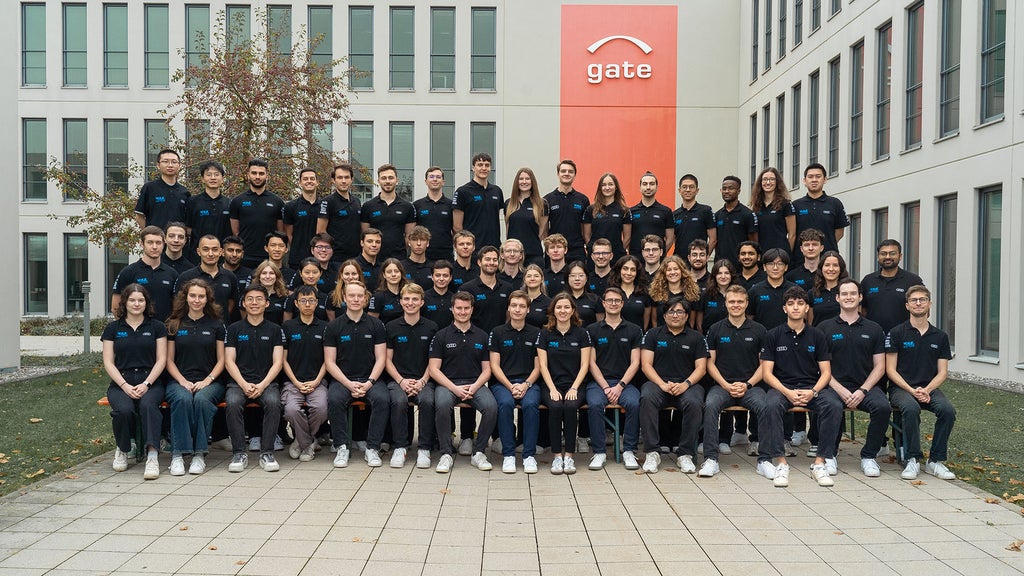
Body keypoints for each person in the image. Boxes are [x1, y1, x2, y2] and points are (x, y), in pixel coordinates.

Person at [759, 287, 841, 487]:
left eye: (800, 303)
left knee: (834, 405)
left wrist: (812, 392)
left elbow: (826, 373)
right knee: (769, 406)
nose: (795, 307)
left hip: (811, 387)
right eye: (791, 303)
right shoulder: (773, 335)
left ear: (806, 308)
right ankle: (780, 463)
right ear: (784, 308)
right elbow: (766, 373)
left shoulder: (817, 335)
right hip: (782, 388)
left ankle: (821, 462)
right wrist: (787, 392)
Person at [819, 278, 889, 477]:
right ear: (837, 298)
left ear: (860, 297)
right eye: (845, 294)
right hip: (833, 385)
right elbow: (821, 367)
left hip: (865, 386)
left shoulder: (874, 329)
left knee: (883, 407)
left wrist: (862, 390)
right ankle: (829, 455)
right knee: (830, 406)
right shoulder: (824, 328)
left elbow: (880, 367)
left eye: (853, 294)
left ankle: (868, 456)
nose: (849, 297)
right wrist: (840, 389)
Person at [885, 285, 956, 481]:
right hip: (902, 388)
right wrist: (911, 390)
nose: (918, 303)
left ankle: (935, 461)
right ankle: (912, 459)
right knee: (910, 408)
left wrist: (927, 389)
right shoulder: (896, 333)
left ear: (929, 303)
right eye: (914, 300)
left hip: (929, 388)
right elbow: (890, 369)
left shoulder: (940, 336)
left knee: (948, 411)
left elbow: (943, 372)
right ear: (907, 305)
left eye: (922, 299)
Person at [700, 285, 769, 477]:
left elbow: (764, 365)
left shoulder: (759, 330)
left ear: (747, 303)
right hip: (722, 386)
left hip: (751, 386)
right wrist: (725, 385)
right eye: (732, 301)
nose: (736, 305)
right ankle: (711, 459)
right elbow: (709, 364)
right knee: (711, 405)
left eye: (740, 301)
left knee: (765, 406)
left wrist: (747, 385)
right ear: (726, 303)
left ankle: (765, 460)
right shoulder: (715, 329)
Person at [102, 284, 168, 480]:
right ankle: (122, 449)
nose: (136, 304)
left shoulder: (157, 327)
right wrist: (124, 385)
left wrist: (146, 384)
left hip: (150, 380)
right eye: (132, 300)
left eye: (141, 300)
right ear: (124, 302)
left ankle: (152, 455)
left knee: (149, 407)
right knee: (123, 410)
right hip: (122, 381)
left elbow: (162, 359)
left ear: (146, 303)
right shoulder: (113, 328)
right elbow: (108, 361)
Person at [428, 291, 497, 473]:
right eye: (459, 308)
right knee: (441, 404)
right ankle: (446, 453)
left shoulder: (482, 336)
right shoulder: (441, 336)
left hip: (475, 383)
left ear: (472, 310)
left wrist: (474, 387)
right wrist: (455, 389)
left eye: (466, 308)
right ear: (452, 309)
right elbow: (434, 369)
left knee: (491, 407)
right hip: (448, 384)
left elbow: (487, 369)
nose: (463, 312)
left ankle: (479, 452)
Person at [638, 296, 708, 474]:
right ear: (664, 315)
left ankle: (685, 453)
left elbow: (701, 368)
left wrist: (686, 384)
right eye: (671, 311)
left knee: (694, 403)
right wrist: (661, 384)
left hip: (687, 385)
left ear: (686, 316)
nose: (675, 315)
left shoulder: (697, 337)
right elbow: (646, 364)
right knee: (646, 398)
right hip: (658, 383)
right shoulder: (653, 334)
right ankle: (652, 452)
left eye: (680, 312)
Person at [164, 279, 225, 476]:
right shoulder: (174, 324)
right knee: (181, 399)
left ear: (207, 299)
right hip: (179, 380)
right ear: (186, 297)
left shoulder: (217, 325)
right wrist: (182, 381)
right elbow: (168, 360)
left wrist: (208, 380)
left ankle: (199, 454)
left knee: (201, 400)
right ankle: (178, 456)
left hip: (210, 381)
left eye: (201, 296)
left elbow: (222, 360)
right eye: (193, 296)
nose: (196, 300)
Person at [324, 281, 387, 468]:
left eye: (360, 296)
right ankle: (342, 446)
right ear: (344, 298)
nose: (356, 299)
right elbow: (329, 362)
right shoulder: (334, 326)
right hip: (343, 381)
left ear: (366, 299)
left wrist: (369, 382)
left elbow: (381, 359)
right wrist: (348, 384)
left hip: (370, 380)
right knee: (334, 399)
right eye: (351, 295)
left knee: (383, 399)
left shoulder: (376, 325)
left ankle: (373, 448)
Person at [224, 284, 286, 473]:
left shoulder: (275, 330)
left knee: (274, 403)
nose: (254, 302)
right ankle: (239, 453)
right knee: (233, 403)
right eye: (250, 299)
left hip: (267, 382)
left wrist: (262, 385)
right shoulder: (234, 329)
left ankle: (267, 453)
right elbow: (229, 361)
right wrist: (243, 384)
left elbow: (278, 362)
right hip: (238, 383)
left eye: (259, 299)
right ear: (243, 303)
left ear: (267, 303)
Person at [585, 287, 643, 470]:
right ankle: (599, 452)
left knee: (634, 403)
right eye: (609, 300)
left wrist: (619, 386)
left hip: (624, 383)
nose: (613, 304)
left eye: (617, 300)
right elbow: (591, 363)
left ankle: (629, 451)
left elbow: (635, 363)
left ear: (622, 304)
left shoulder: (634, 330)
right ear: (603, 303)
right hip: (598, 383)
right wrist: (605, 387)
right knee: (594, 405)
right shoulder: (592, 330)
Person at [384, 283, 439, 469]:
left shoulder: (432, 327)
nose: (410, 302)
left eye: (415, 299)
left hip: (425, 380)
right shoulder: (391, 327)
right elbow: (386, 360)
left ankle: (424, 448)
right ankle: (400, 447)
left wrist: (423, 381)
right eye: (406, 299)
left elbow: (434, 361)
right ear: (400, 302)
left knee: (427, 401)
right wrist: (401, 381)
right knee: (398, 402)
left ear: (422, 302)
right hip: (397, 380)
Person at [537, 292, 593, 475]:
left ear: (573, 310)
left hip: (575, 384)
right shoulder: (545, 333)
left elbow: (585, 364)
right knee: (554, 406)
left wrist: (575, 387)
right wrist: (552, 388)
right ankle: (556, 457)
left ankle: (568, 456)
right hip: (551, 384)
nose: (562, 310)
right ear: (553, 310)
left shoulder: (582, 333)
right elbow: (542, 365)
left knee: (570, 406)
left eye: (566, 307)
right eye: (559, 307)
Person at [488, 290, 542, 474]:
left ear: (528, 310)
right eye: (514, 306)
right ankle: (509, 455)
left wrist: (526, 385)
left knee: (531, 404)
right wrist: (511, 386)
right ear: (509, 308)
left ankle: (528, 455)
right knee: (505, 403)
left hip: (529, 383)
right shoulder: (497, 332)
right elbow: (494, 366)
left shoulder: (536, 333)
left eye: (522, 306)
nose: (517, 309)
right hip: (503, 383)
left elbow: (539, 366)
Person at [280, 285, 329, 463]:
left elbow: (328, 360)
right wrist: (295, 382)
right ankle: (307, 443)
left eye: (311, 301)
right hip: (293, 382)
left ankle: (300, 441)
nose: (307, 304)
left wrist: (316, 381)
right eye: (303, 301)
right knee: (292, 410)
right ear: (296, 303)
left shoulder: (325, 327)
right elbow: (282, 360)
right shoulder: (288, 327)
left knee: (322, 409)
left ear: (316, 303)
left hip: (318, 381)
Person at [111, 226, 178, 321]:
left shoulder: (172, 274)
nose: (154, 247)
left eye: (158, 243)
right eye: (150, 242)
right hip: (136, 333)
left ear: (164, 244)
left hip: (165, 332)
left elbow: (177, 307)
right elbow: (115, 308)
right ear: (142, 244)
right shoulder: (128, 272)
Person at [229, 159, 285, 269]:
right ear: (248, 175)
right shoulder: (237, 201)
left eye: (261, 173)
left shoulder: (277, 202)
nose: (257, 177)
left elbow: (280, 232)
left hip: (269, 257)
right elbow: (236, 232)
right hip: (245, 256)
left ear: (267, 176)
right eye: (254, 173)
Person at [861, 239, 924, 333]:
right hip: (873, 336)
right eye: (883, 253)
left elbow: (923, 309)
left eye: (892, 253)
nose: (887, 257)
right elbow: (862, 310)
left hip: (904, 337)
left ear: (900, 256)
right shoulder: (868, 281)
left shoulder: (913, 281)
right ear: (878, 256)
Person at [792, 163, 849, 267]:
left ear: (825, 179)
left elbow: (840, 232)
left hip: (828, 260)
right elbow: (792, 233)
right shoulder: (795, 205)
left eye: (818, 176)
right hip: (800, 260)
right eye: (810, 177)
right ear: (804, 181)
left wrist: (823, 245)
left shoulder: (835, 203)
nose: (814, 180)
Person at [175, 235, 238, 320]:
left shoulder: (230, 276)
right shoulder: (186, 277)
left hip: (222, 328)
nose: (210, 254)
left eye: (214, 249)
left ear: (221, 252)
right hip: (193, 327)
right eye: (206, 249)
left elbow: (231, 303)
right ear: (198, 251)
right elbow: (179, 304)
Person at [361, 163, 416, 260]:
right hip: (374, 260)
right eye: (384, 178)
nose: (387, 181)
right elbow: (365, 234)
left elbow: (409, 236)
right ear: (378, 181)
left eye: (391, 178)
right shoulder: (368, 206)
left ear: (397, 181)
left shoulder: (407, 207)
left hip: (399, 260)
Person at [453, 152, 504, 250]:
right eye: (480, 165)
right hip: (473, 249)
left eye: (487, 165)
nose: (484, 168)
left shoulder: (497, 191)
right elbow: (457, 227)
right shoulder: (463, 191)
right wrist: (466, 246)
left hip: (494, 247)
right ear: (473, 168)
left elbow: (494, 217)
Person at [544, 159, 590, 265]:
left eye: (570, 171)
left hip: (577, 251)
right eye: (563, 171)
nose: (566, 174)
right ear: (558, 174)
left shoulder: (583, 199)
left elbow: (585, 229)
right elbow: (545, 229)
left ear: (575, 175)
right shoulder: (547, 200)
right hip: (555, 250)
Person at [317, 162, 363, 262]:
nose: (343, 181)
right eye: (340, 177)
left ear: (352, 179)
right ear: (333, 180)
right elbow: (320, 232)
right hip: (336, 258)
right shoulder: (327, 202)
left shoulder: (357, 201)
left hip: (356, 256)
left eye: (347, 177)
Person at [184, 159, 232, 255]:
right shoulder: (193, 202)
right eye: (209, 175)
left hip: (222, 255)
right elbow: (188, 229)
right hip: (197, 254)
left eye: (216, 174)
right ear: (202, 179)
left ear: (222, 179)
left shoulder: (229, 203)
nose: (213, 178)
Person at [462, 245, 513, 333]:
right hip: (476, 339)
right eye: (487, 259)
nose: (491, 263)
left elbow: (509, 316)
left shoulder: (507, 288)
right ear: (479, 262)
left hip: (500, 339)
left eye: (495, 260)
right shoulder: (467, 288)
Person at [583, 173, 632, 262]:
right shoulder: (590, 209)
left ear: (616, 187)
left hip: (616, 257)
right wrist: (592, 251)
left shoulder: (624, 210)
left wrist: (619, 251)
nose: (607, 187)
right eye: (604, 185)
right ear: (600, 188)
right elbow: (586, 235)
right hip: (596, 258)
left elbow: (627, 237)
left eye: (610, 184)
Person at [505, 167, 549, 266]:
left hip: (533, 255)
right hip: (513, 256)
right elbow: (508, 229)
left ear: (532, 181)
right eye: (521, 179)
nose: (524, 182)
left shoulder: (542, 204)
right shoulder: (509, 203)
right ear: (517, 182)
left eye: (527, 179)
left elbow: (541, 232)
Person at [135, 149, 188, 229]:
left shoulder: (184, 192)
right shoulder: (149, 188)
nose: (170, 165)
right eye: (165, 161)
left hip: (176, 240)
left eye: (174, 162)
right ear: (158, 165)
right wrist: (149, 234)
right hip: (156, 240)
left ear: (179, 166)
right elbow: (139, 216)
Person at [747, 248, 797, 331]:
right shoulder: (754, 291)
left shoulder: (795, 290)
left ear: (786, 267)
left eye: (780, 264)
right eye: (770, 264)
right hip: (762, 338)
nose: (775, 268)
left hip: (789, 338)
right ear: (764, 267)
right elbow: (749, 318)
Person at [714, 175, 758, 269]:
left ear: (738, 191)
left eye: (731, 188)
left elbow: (754, 243)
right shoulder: (717, 215)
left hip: (741, 267)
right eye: (724, 188)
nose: (726, 191)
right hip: (721, 267)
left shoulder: (747, 214)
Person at [750, 167, 796, 255]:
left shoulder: (786, 204)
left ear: (777, 182)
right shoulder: (756, 206)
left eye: (772, 179)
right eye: (765, 179)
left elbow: (792, 234)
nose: (768, 182)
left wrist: (787, 254)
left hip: (780, 254)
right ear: (760, 182)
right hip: (762, 254)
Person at [283, 167, 323, 270]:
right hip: (297, 259)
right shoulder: (291, 207)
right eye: (305, 179)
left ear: (317, 182)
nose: (309, 181)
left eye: (312, 179)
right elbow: (289, 234)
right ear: (300, 182)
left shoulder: (325, 205)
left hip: (321, 259)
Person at [414, 166, 455, 262]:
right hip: (423, 255)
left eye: (438, 177)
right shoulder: (417, 205)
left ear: (443, 182)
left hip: (446, 255)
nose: (435, 179)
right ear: (426, 181)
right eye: (431, 177)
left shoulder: (451, 205)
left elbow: (456, 229)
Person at [671, 173, 717, 258]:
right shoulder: (674, 214)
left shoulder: (706, 211)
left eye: (691, 187)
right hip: (679, 263)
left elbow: (713, 239)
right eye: (684, 187)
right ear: (679, 190)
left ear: (697, 190)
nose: (688, 190)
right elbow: (673, 240)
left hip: (698, 262)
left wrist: (705, 256)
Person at [629, 172, 674, 256]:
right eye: (645, 184)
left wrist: (659, 254)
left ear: (657, 187)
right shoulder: (630, 211)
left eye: (652, 184)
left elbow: (670, 239)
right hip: (636, 260)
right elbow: (627, 237)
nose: (648, 187)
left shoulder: (666, 211)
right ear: (640, 187)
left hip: (657, 262)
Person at [648, 255, 701, 325]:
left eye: (676, 269)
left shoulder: (692, 293)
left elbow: (691, 322)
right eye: (669, 270)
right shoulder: (656, 293)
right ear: (664, 273)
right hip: (661, 334)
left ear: (682, 271)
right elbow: (654, 321)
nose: (672, 272)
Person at [284, 258, 335, 322]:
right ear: (300, 273)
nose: (311, 276)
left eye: (315, 272)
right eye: (307, 272)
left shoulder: (326, 298)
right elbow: (286, 323)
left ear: (320, 273)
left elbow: (332, 323)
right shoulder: (292, 297)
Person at [610, 255, 652, 329]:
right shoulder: (611, 292)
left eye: (633, 270)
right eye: (625, 269)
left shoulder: (644, 293)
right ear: (619, 270)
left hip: (637, 338)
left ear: (637, 272)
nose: (629, 273)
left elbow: (645, 323)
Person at [808, 251, 848, 327]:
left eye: (835, 265)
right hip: (819, 337)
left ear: (841, 269)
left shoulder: (847, 292)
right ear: (821, 268)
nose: (831, 269)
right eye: (827, 265)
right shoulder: (812, 293)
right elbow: (810, 323)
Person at [249, 260, 290, 329]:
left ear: (276, 276)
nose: (268, 276)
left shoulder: (284, 297)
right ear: (259, 276)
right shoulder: (250, 296)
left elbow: (285, 323)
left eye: (271, 273)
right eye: (264, 273)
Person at [368, 258, 407, 325]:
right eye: (389, 272)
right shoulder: (378, 297)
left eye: (396, 271)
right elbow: (371, 323)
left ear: (401, 273)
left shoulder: (407, 294)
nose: (393, 274)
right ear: (384, 275)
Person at [565, 261, 603, 326]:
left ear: (586, 278)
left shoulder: (595, 299)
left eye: (581, 275)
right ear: (567, 278)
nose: (577, 279)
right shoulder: (562, 299)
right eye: (573, 275)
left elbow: (600, 325)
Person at [423, 260, 455, 327]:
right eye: (437, 275)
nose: (441, 279)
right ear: (432, 277)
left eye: (445, 276)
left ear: (450, 278)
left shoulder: (455, 299)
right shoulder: (423, 297)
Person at [401, 225, 434, 289]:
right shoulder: (401, 267)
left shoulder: (433, 268)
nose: (418, 243)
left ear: (428, 243)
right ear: (409, 242)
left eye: (422, 240)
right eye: (414, 240)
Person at [522, 263, 551, 328]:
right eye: (529, 276)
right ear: (524, 279)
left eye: (536, 276)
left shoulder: (549, 303)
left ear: (542, 279)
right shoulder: (519, 300)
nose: (532, 279)